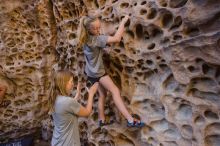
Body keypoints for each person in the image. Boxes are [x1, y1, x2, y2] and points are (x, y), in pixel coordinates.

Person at [77, 15, 144, 127]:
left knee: (102, 95)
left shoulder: (84, 38)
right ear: (89, 29)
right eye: (96, 29)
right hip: (99, 73)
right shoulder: (97, 39)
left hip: (90, 73)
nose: (98, 30)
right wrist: (122, 22)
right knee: (115, 91)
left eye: (99, 27)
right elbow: (117, 39)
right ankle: (130, 120)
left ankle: (101, 120)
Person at [49, 70, 98, 146]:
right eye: (71, 82)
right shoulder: (68, 102)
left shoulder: (55, 99)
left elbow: (66, 108)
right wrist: (91, 94)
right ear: (63, 83)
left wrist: (77, 94)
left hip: (57, 142)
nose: (72, 84)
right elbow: (87, 112)